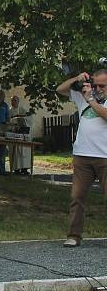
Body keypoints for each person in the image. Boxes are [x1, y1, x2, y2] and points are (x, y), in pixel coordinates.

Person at [55, 70, 107, 247]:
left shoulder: (92, 99)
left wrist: (91, 99)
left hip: (104, 157)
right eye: (95, 85)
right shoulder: (82, 96)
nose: (98, 89)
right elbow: (60, 89)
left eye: (102, 86)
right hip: (82, 155)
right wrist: (76, 79)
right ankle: (74, 235)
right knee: (77, 197)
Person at [8, 95, 31, 174]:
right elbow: (8, 121)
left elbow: (29, 118)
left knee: (24, 151)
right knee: (15, 152)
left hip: (23, 134)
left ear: (18, 101)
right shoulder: (9, 111)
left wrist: (22, 119)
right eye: (12, 100)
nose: (13, 102)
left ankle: (24, 169)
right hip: (14, 134)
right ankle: (16, 169)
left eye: (14, 100)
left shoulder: (22, 109)